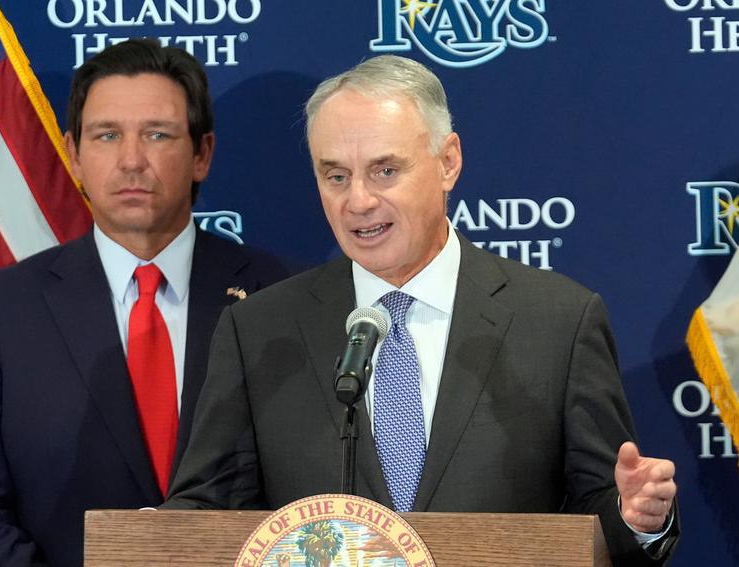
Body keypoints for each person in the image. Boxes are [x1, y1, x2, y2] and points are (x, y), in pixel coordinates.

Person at [165, 55, 679, 565]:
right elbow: (206, 512)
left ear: (447, 162)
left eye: (385, 171)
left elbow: (599, 513)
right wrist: (148, 535)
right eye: (335, 176)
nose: (358, 201)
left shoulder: (558, 322)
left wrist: (634, 517)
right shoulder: (260, 331)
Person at [0, 39, 290, 567]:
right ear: (74, 155)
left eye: (158, 134)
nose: (132, 160)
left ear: (202, 154)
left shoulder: (280, 293)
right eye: (107, 135)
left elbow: (314, 486)